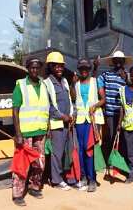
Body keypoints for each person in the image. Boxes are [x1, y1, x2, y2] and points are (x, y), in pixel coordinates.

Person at [42, 52, 85, 191]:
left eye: (61, 66)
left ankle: (72, 180)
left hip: (69, 123)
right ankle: (57, 180)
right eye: (57, 66)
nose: (60, 69)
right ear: (51, 67)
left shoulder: (65, 81)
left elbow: (71, 100)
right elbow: (48, 107)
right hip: (57, 125)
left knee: (73, 150)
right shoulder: (46, 84)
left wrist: (73, 113)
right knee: (58, 154)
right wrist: (62, 116)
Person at [10, 57, 49, 207]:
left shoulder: (43, 85)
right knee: (22, 164)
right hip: (25, 132)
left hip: (40, 130)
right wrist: (18, 133)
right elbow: (15, 111)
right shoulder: (20, 85)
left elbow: (46, 108)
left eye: (37, 67)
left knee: (39, 162)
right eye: (32, 67)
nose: (35, 70)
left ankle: (34, 187)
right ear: (27, 68)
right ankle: (18, 194)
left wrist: (48, 128)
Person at [70, 58, 106, 192]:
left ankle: (92, 178)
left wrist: (95, 106)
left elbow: (103, 99)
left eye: (86, 68)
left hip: (92, 119)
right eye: (81, 68)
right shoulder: (77, 83)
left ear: (89, 69)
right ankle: (83, 175)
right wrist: (72, 85)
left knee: (89, 148)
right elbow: (73, 98)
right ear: (79, 70)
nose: (84, 70)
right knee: (81, 148)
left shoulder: (96, 82)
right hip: (80, 119)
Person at [97, 51, 132, 160]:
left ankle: (123, 159)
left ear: (123, 61)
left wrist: (126, 80)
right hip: (111, 113)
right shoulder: (106, 75)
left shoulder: (128, 75)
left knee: (125, 137)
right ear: (113, 61)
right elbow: (96, 82)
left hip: (124, 113)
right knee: (113, 137)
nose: (118, 62)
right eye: (115, 59)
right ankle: (114, 160)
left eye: (120, 60)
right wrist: (95, 67)